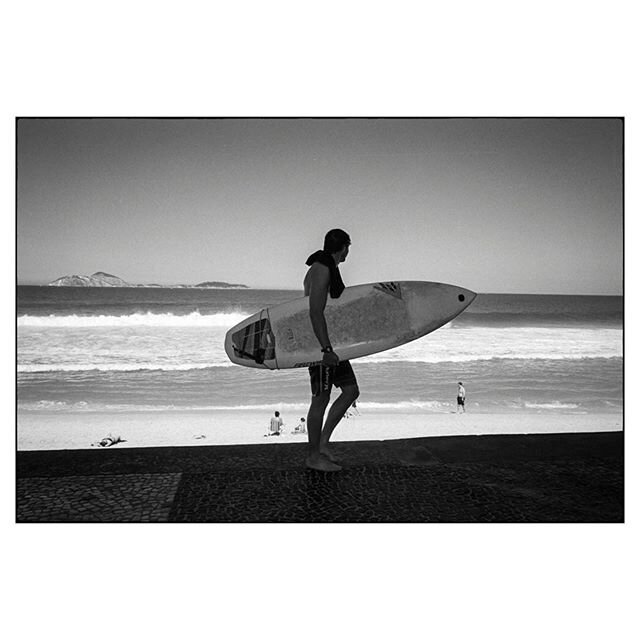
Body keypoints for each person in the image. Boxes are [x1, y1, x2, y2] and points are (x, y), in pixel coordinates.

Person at [304, 229, 360, 471]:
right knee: (320, 399)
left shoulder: (327, 267)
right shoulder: (322, 269)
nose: (349, 252)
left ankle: (323, 443)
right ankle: (313, 456)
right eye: (348, 247)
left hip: (332, 344)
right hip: (321, 346)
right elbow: (315, 311)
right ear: (343, 247)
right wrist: (326, 349)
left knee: (350, 391)